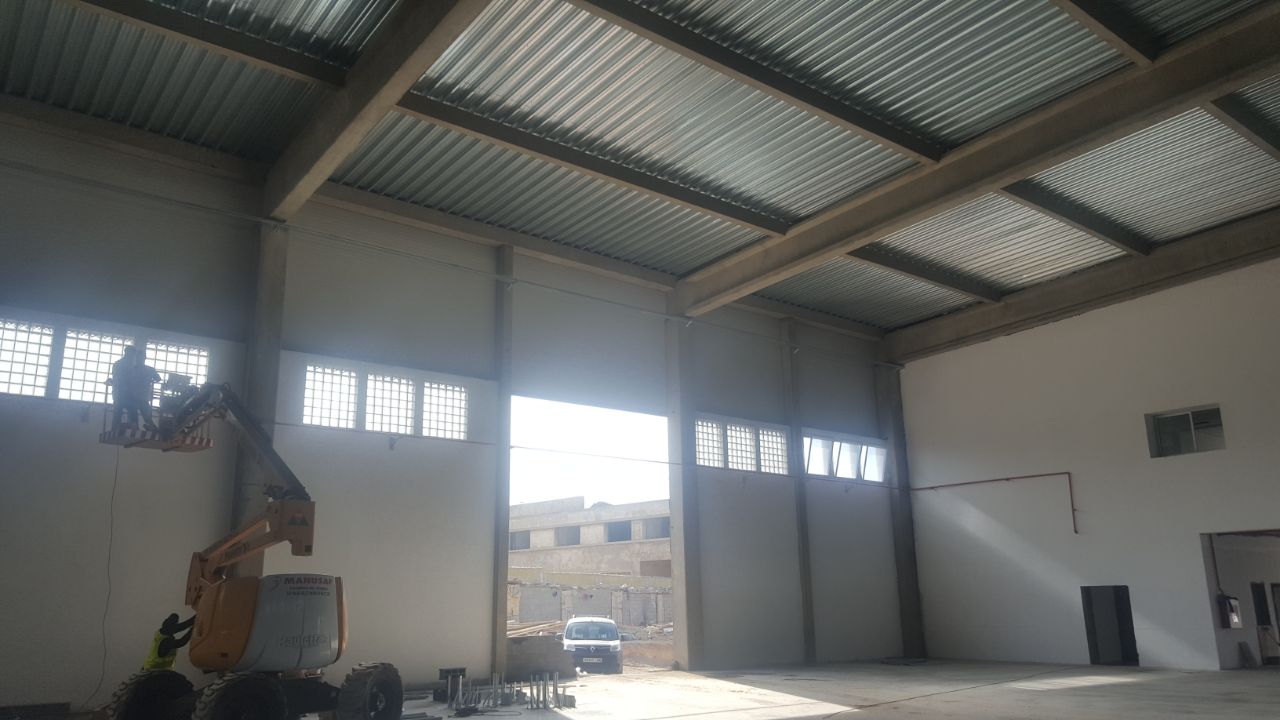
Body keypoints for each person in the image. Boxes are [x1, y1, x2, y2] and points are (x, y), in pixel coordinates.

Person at [110, 346, 161, 431]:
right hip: (132, 396)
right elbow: (158, 379)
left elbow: (119, 378)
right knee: (136, 413)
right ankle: (139, 427)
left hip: (131, 395)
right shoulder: (135, 367)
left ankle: (133, 427)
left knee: (127, 412)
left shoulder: (132, 367)